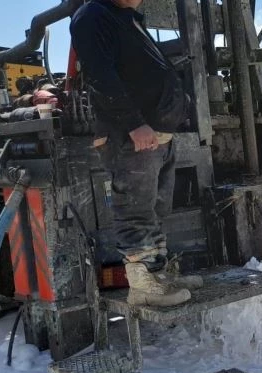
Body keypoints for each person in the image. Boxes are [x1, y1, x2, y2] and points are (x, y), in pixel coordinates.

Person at [71, 0, 202, 306]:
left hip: (156, 135)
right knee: (135, 210)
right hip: (129, 136)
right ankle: (144, 287)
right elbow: (100, 75)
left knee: (156, 210)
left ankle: (159, 276)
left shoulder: (128, 19)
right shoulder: (93, 15)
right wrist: (134, 124)